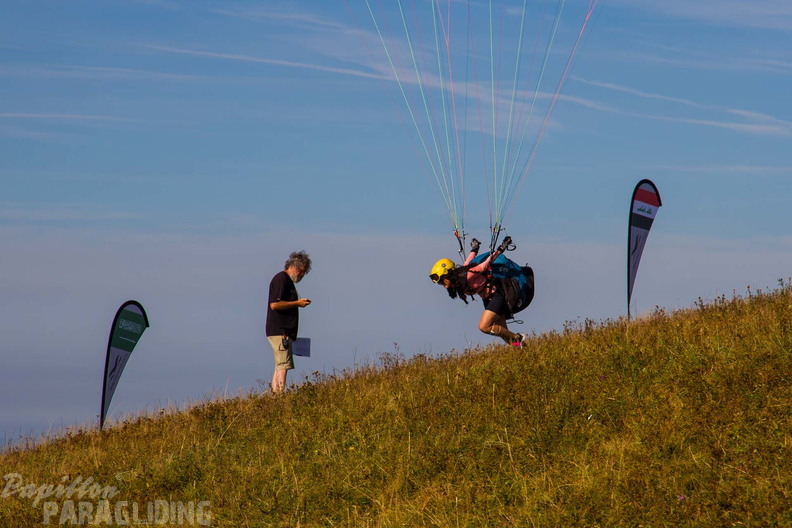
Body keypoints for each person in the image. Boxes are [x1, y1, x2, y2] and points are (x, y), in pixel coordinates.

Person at [430, 236, 530, 346]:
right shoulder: (460, 279)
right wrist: (474, 249)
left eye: (442, 281)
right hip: (488, 299)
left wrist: (501, 248)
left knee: (484, 326)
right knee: (503, 332)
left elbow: (486, 264)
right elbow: (469, 261)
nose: (443, 285)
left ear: (448, 274)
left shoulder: (467, 275)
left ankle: (518, 338)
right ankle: (521, 350)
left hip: (498, 294)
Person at [266, 250, 312, 393]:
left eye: (304, 272)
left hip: (284, 331)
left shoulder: (287, 281)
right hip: (281, 331)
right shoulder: (281, 279)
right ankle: (279, 396)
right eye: (301, 271)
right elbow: (274, 305)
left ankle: (275, 395)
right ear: (293, 266)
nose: (302, 275)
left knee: (281, 364)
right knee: (283, 365)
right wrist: (297, 303)